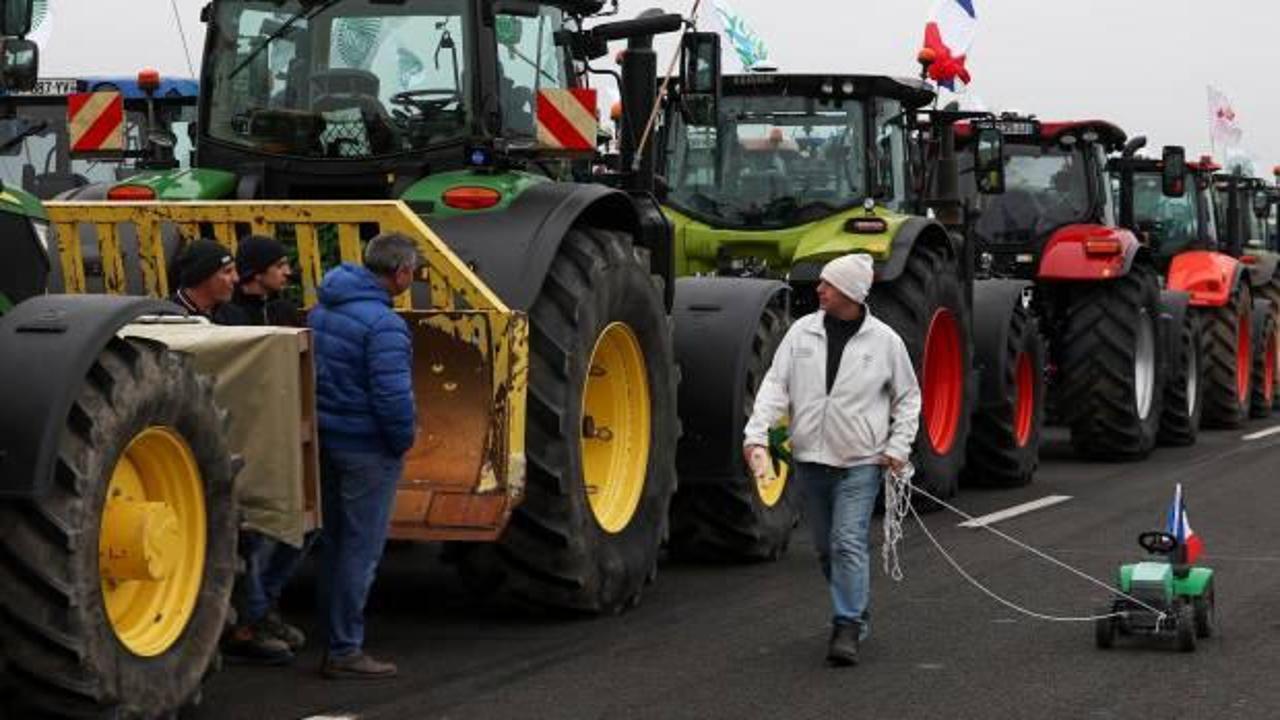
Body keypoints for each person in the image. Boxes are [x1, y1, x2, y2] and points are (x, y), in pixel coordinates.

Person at [743, 253, 921, 667]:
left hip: (861, 462)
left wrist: (898, 447)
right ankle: (855, 608)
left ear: (852, 293)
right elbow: (774, 386)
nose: (819, 290)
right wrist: (755, 435)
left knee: (847, 541)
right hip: (811, 461)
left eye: (828, 285)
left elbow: (909, 397)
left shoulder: (885, 342)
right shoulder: (801, 334)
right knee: (825, 548)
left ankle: (846, 624)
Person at [309, 232, 419, 679]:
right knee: (362, 549)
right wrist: (403, 439)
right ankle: (344, 648)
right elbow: (393, 397)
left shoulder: (322, 310)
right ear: (402, 273)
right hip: (367, 448)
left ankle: (330, 634)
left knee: (333, 543)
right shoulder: (385, 325)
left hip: (327, 439)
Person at [215, 234, 309, 666]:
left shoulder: (286, 312)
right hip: (248, 434)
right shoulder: (228, 319)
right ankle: (248, 621)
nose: (288, 272)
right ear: (257, 273)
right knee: (252, 532)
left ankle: (262, 609)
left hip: (287, 431)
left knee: (298, 525)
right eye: (281, 265)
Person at [216, 235, 299, 327]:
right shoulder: (228, 316)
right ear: (257, 273)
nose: (288, 272)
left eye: (286, 264)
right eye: (279, 266)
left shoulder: (284, 309)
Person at [170, 238, 237, 318]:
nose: (236, 278)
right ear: (202, 276)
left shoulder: (234, 316)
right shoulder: (169, 317)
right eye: (227, 272)